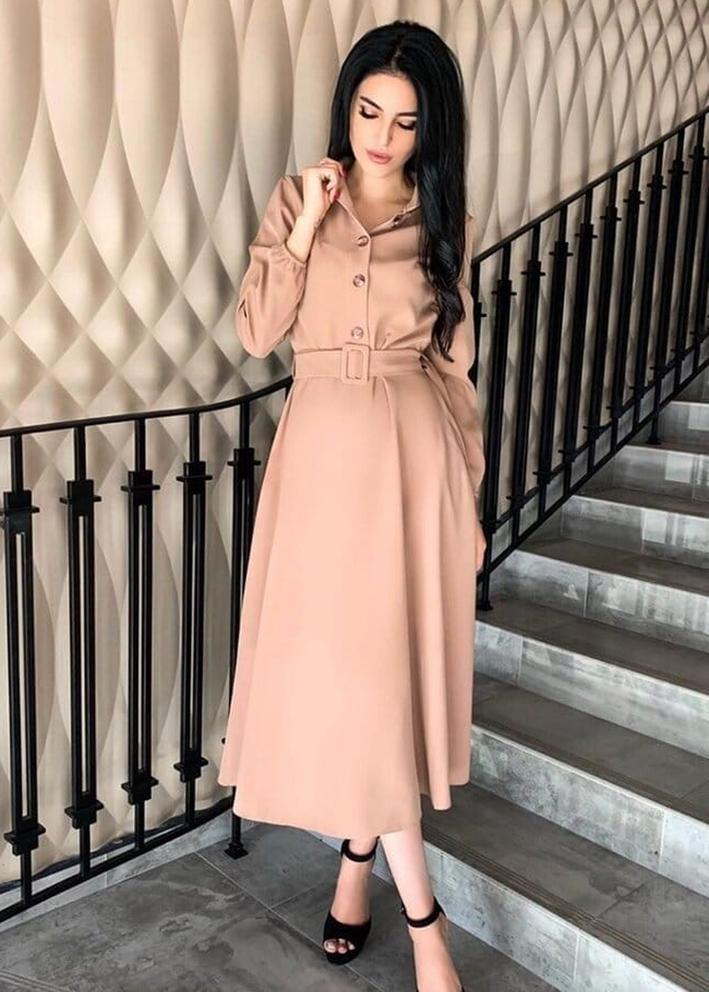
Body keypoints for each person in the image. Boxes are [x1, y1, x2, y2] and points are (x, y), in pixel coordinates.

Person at [218, 19, 486, 992]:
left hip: (413, 469)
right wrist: (305, 223)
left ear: (429, 130)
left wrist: (469, 501)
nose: (382, 135)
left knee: (383, 691)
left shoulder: (446, 221)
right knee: (357, 689)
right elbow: (257, 332)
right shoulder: (302, 198)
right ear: (347, 108)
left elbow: (453, 376)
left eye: (405, 121)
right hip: (322, 468)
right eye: (369, 111)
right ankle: (396, 899)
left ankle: (403, 911)